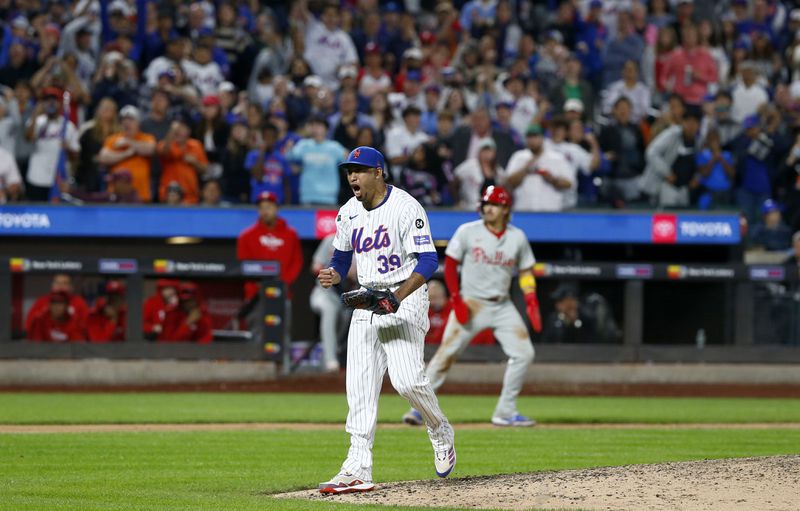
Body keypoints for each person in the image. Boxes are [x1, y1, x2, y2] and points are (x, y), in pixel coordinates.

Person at [317, 146, 455, 493]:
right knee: (360, 391)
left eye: (359, 170)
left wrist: (397, 297)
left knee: (407, 381)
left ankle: (440, 429)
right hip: (367, 299)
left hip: (404, 297)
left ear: (379, 172)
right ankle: (357, 467)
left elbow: (427, 261)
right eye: (349, 170)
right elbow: (341, 255)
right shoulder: (349, 211)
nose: (352, 176)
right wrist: (334, 272)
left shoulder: (406, 207)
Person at [402, 185, 541, 428]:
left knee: (524, 353)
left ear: (505, 209)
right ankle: (418, 409)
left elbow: (526, 271)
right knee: (446, 354)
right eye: (486, 203)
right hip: (471, 302)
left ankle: (506, 411)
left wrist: (530, 298)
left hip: (502, 305)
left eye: (494, 204)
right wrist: (456, 299)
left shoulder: (517, 236)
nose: (488, 208)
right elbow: (452, 264)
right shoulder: (468, 231)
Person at [236, 191, 303, 319]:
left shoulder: (291, 234)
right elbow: (244, 265)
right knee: (257, 334)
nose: (265, 211)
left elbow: (297, 262)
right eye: (261, 208)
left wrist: (282, 283)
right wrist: (260, 284)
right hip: (255, 295)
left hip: (282, 293)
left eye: (269, 207)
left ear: (277, 208)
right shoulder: (246, 236)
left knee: (282, 334)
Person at [24, 87, 80, 201]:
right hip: (36, 177)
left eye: (54, 100)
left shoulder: (68, 126)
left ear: (59, 103)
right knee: (37, 214)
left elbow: (76, 156)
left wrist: (67, 148)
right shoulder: (38, 121)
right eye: (47, 100)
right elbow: (28, 137)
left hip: (58, 179)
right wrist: (35, 113)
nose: (50, 103)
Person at [501, 124, 573, 211]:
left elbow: (569, 184)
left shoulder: (556, 158)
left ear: (542, 138)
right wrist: (525, 169)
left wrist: (552, 179)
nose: (532, 140)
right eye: (529, 137)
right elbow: (508, 183)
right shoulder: (519, 157)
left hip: (551, 211)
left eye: (535, 136)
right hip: (523, 210)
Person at [97, 105, 157, 203]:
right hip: (116, 196)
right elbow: (103, 157)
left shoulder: (146, 138)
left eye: (131, 119)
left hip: (141, 195)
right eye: (124, 119)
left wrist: (129, 142)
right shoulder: (113, 139)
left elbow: (151, 149)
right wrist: (126, 153)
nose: (127, 123)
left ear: (138, 122)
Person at [310, 233, 346, 372]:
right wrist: (334, 272)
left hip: (349, 294)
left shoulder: (365, 241)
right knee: (330, 309)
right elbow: (315, 266)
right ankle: (331, 360)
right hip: (324, 292)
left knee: (350, 317)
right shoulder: (331, 240)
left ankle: (331, 353)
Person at [541, 284, 622, 344]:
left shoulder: (585, 315)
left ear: (572, 300)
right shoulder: (553, 318)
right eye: (557, 302)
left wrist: (575, 320)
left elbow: (595, 336)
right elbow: (546, 342)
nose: (558, 305)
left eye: (561, 301)